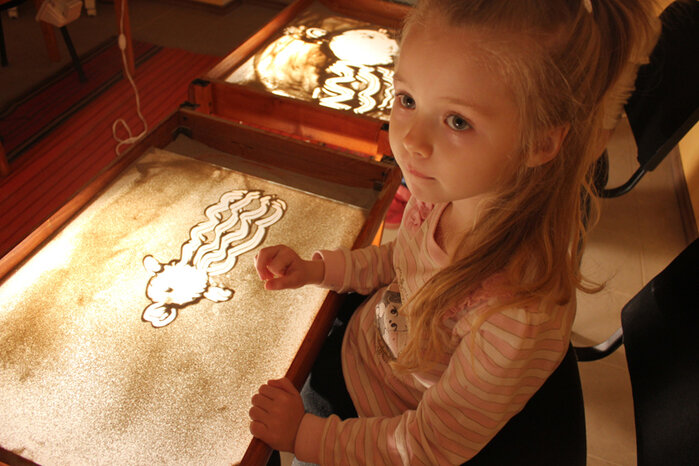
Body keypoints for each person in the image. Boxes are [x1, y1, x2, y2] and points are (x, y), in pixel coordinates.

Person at [248, 0, 660, 464]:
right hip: (361, 351)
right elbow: (400, 262)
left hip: (373, 427)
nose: (411, 141)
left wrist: (305, 436)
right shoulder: (444, 194)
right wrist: (318, 269)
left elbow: (430, 444)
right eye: (408, 100)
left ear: (541, 142)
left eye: (458, 121)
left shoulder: (515, 312)